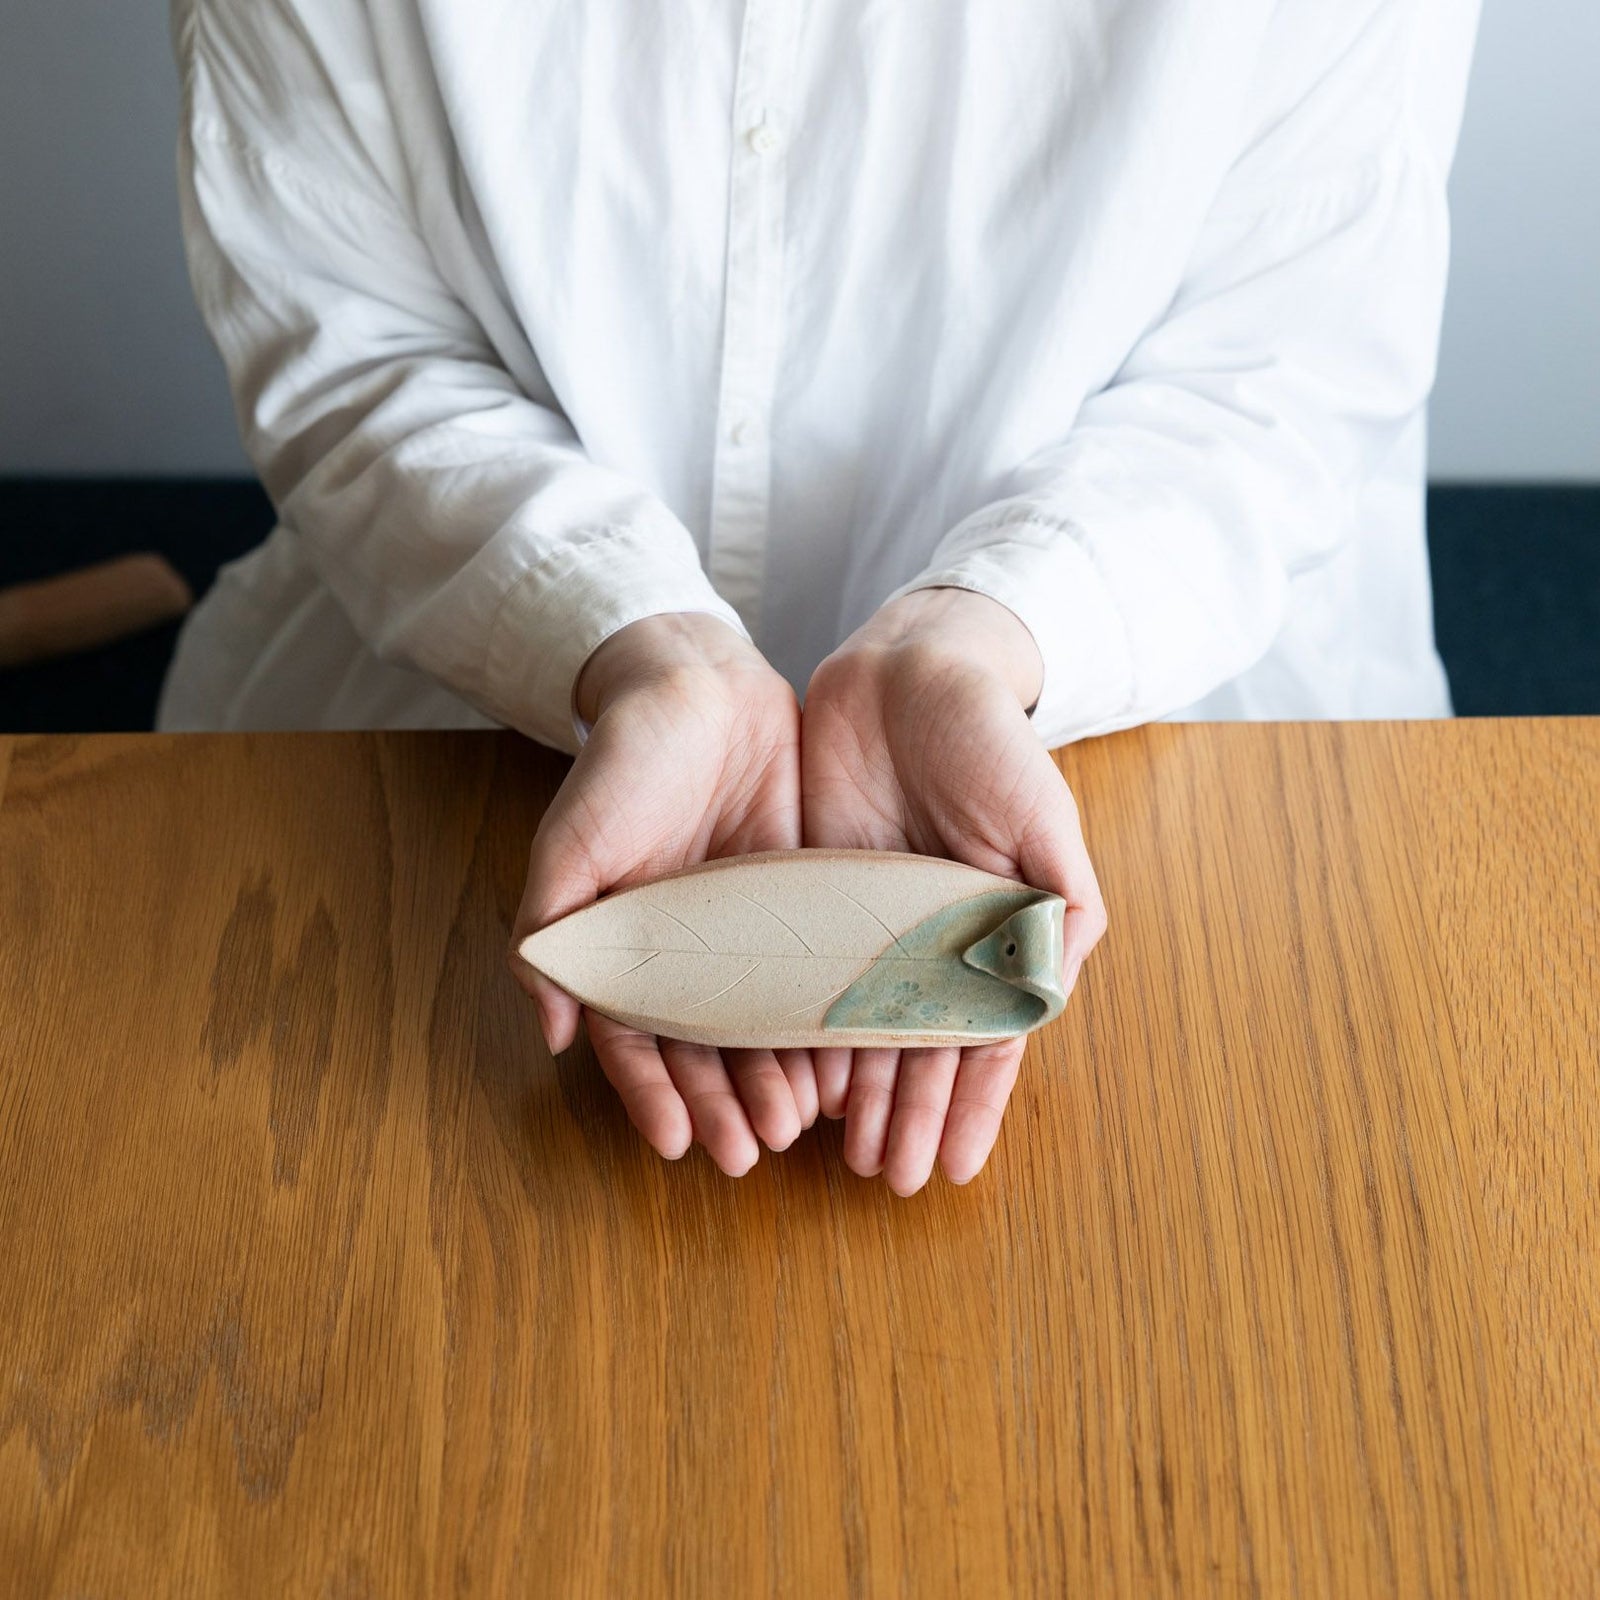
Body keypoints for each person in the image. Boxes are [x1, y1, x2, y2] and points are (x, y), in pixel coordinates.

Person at [159, 0, 1481, 1193]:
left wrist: (990, 627)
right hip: (452, 738)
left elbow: (1286, 359)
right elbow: (357, 349)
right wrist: (629, 636)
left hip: (1187, 752)